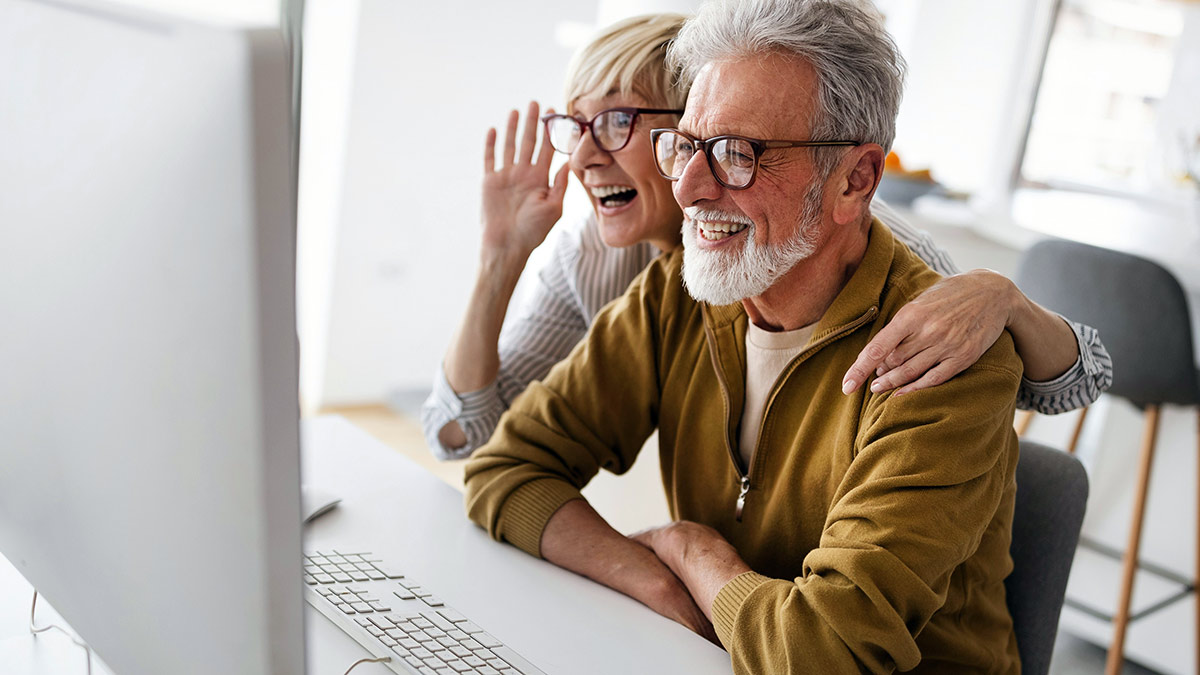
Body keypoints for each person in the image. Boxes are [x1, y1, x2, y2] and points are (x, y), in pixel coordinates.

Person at [464, 0, 1042, 671]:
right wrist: (648, 576)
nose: (688, 187)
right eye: (686, 145)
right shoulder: (679, 294)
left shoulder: (945, 359)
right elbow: (505, 468)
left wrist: (690, 551)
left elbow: (829, 649)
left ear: (854, 181)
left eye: (738, 154)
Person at [420, 12, 1111, 461]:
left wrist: (1004, 299)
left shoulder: (860, 252)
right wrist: (499, 260)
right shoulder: (600, 262)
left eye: (619, 122)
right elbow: (464, 436)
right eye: (577, 126)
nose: (584, 157)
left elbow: (1051, 390)